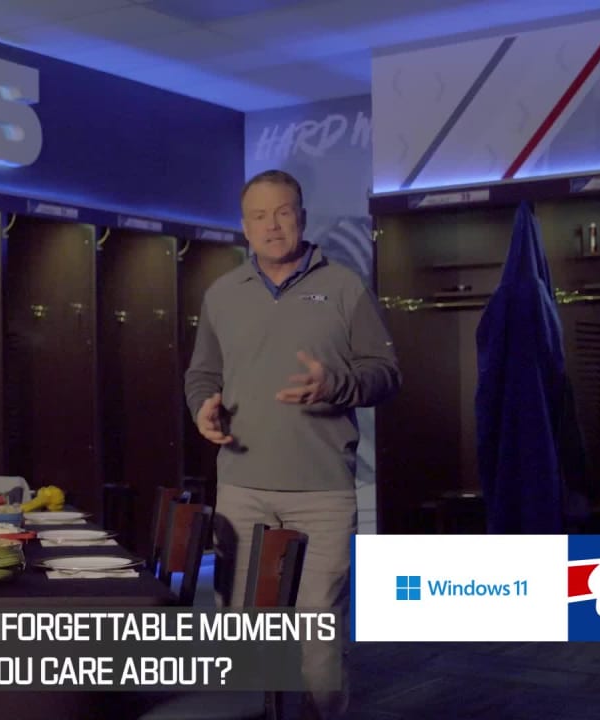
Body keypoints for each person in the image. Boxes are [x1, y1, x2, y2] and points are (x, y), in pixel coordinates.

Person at [184, 169, 401, 719]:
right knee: (239, 629)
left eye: (283, 212)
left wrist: (337, 386)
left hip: (322, 491)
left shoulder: (346, 287)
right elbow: (201, 374)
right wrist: (203, 406)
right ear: (244, 226)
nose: (272, 225)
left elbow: (387, 373)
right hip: (241, 486)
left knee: (317, 631)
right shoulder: (222, 293)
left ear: (302, 218)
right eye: (259, 216)